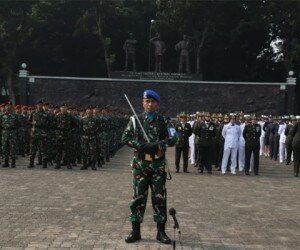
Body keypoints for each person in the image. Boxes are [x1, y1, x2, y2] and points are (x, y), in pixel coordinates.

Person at [122, 90, 177, 244]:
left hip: (158, 165)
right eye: (147, 101)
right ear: (143, 103)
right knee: (138, 198)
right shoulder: (135, 120)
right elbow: (124, 138)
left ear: (157, 104)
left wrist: (159, 144)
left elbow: (175, 138)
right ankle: (135, 231)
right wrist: (141, 145)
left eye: (152, 102)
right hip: (141, 165)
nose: (150, 104)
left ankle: (161, 232)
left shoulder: (164, 121)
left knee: (159, 198)